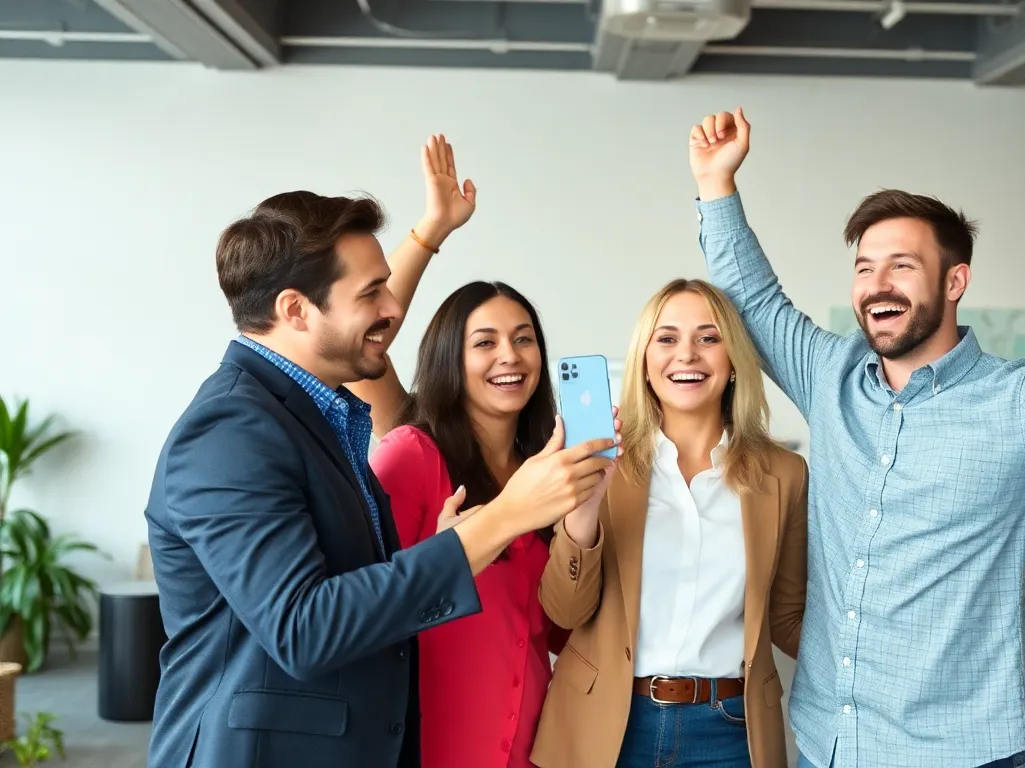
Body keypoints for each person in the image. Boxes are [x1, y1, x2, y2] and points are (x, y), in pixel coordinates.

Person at [144, 188, 616, 768]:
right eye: (371, 293)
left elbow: (359, 592)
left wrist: (451, 544)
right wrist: (504, 517)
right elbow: (303, 629)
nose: (393, 310)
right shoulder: (230, 429)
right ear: (295, 310)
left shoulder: (320, 417)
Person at [686, 111, 1025, 766]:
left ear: (955, 282)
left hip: (958, 751)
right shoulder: (831, 374)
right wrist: (715, 182)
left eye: (901, 266)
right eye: (865, 268)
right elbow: (753, 300)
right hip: (826, 742)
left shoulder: (1023, 401)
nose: (877, 285)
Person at [347, 135, 587, 767]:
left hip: (530, 744)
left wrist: (583, 531)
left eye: (524, 339)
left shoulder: (550, 470)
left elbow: (562, 627)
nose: (509, 356)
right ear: (449, 357)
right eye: (484, 342)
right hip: (433, 743)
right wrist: (432, 230)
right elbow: (371, 606)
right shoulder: (412, 453)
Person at [531, 279, 809, 768]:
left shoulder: (783, 474)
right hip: (607, 725)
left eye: (708, 337)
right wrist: (583, 513)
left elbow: (788, 619)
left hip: (729, 732)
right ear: (644, 359)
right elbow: (564, 610)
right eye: (667, 339)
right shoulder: (600, 462)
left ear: (734, 361)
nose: (688, 355)